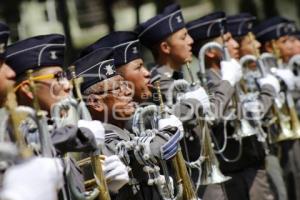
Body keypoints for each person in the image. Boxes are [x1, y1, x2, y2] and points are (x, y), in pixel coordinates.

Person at [5, 34, 129, 198]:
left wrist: (107, 188)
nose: (67, 85)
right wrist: (78, 135)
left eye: (64, 76)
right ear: (29, 89)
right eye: (57, 77)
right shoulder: (18, 137)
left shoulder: (53, 132)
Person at [186, 11, 280, 200]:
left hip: (250, 169)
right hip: (239, 173)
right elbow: (245, 116)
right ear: (211, 51)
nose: (235, 44)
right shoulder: (214, 84)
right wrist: (269, 91)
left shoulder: (228, 77)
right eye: (227, 40)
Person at [74, 46, 180, 200]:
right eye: (118, 88)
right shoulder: (101, 144)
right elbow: (143, 153)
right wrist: (169, 131)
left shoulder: (124, 133)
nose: (128, 91)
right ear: (96, 102)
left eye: (125, 84)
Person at [227, 13, 286, 200]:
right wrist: (268, 91)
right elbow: (254, 113)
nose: (258, 45)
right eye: (251, 42)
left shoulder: (255, 70)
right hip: (249, 157)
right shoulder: (234, 77)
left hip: (266, 148)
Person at [255, 16, 300, 200]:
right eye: (284, 41)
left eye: (292, 39)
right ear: (269, 47)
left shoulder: (292, 66)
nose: (292, 44)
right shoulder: (263, 73)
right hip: (280, 140)